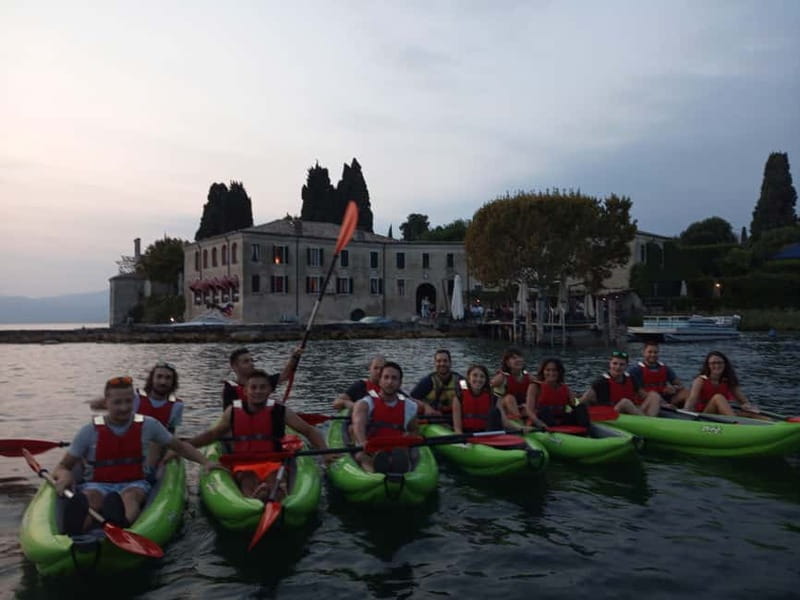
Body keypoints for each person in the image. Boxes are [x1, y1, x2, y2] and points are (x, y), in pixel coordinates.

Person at [53, 376, 219, 535]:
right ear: (106, 403)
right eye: (117, 402)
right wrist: (65, 477)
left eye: (128, 401)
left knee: (131, 497)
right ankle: (76, 529)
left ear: (134, 401)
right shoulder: (88, 431)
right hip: (97, 484)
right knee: (91, 498)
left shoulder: (149, 425)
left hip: (134, 482)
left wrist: (205, 462)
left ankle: (121, 523)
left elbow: (180, 447)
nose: (124, 407)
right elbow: (63, 466)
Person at [189, 368, 328, 500]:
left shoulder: (280, 411)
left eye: (263, 387)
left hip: (273, 461)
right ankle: (255, 498)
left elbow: (309, 430)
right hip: (244, 463)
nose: (258, 391)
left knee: (274, 478)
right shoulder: (232, 411)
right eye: (253, 387)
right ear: (245, 391)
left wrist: (325, 453)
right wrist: (185, 445)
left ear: (269, 390)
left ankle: (272, 495)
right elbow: (212, 435)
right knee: (247, 478)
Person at [351, 361, 419, 473]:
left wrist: (409, 437)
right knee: (361, 456)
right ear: (380, 380)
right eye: (386, 377)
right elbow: (358, 427)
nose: (390, 382)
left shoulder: (410, 406)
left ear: (400, 382)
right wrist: (365, 444)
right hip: (371, 450)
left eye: (394, 378)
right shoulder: (364, 404)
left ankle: (398, 467)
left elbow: (414, 430)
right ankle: (376, 473)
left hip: (397, 448)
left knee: (403, 450)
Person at [90, 361, 184, 432]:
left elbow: (171, 432)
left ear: (173, 382)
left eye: (168, 378)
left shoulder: (177, 405)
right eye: (159, 377)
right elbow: (96, 405)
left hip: (157, 447)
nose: (163, 382)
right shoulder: (135, 397)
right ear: (152, 379)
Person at [580, 351, 661, 416]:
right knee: (625, 402)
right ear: (610, 364)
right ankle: (648, 422)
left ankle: (652, 421)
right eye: (615, 363)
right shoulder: (601, 382)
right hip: (612, 414)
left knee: (654, 395)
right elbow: (584, 400)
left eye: (622, 364)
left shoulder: (631, 378)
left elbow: (644, 395)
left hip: (632, 412)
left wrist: (664, 404)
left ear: (626, 366)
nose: (618, 367)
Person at [222, 346, 302, 410]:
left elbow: (284, 376)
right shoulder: (230, 389)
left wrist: (294, 357)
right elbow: (228, 415)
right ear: (234, 366)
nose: (252, 364)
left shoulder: (262, 381)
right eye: (246, 361)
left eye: (252, 360)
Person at [684, 351, 755, 415]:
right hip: (705, 414)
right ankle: (736, 424)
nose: (717, 366)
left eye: (719, 363)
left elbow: (743, 400)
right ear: (708, 365)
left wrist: (746, 405)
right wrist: (686, 413)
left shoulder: (728, 380)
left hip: (720, 413)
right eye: (713, 363)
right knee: (718, 397)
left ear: (725, 364)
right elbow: (692, 400)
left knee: (749, 413)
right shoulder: (700, 380)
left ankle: (764, 422)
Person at [527, 357, 590, 429]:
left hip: (561, 420)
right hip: (543, 421)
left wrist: (582, 400)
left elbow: (575, 404)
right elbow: (529, 410)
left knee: (581, 407)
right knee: (545, 410)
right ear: (543, 372)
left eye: (554, 370)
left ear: (559, 372)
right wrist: (539, 423)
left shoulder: (565, 388)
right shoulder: (535, 387)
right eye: (548, 370)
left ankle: (587, 430)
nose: (551, 373)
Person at [627, 341, 689, 408]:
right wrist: (662, 403)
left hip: (666, 398)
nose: (653, 355)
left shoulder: (665, 368)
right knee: (654, 396)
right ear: (644, 353)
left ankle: (689, 411)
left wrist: (674, 388)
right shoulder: (635, 370)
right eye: (650, 352)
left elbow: (679, 385)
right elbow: (641, 393)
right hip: (648, 400)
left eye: (655, 352)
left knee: (686, 392)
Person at [451, 364, 508, 434]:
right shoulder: (459, 397)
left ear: (485, 380)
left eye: (482, 377)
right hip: (467, 435)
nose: (478, 379)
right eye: (475, 375)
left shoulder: (494, 398)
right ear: (469, 378)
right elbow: (457, 428)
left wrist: (520, 428)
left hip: (488, 434)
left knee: (494, 412)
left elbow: (505, 423)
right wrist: (463, 441)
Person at [410, 349, 463, 415]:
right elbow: (410, 399)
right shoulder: (427, 381)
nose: (442, 364)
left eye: (445, 361)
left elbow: (469, 394)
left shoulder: (461, 380)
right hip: (433, 418)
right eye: (439, 361)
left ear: (450, 363)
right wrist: (425, 406)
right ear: (435, 363)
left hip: (454, 417)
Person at [490, 347, 535, 421]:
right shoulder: (501, 378)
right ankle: (519, 421)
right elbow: (485, 388)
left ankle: (532, 421)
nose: (519, 360)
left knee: (528, 406)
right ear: (507, 363)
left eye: (520, 357)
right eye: (514, 358)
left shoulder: (529, 377)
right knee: (510, 398)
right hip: (503, 408)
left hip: (521, 406)